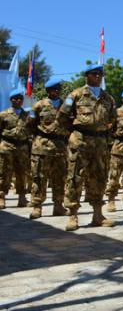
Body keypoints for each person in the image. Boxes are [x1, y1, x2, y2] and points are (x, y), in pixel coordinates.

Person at [58, 64, 117, 231]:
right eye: (94, 73)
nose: (97, 76)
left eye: (100, 74)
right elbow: (62, 116)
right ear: (87, 75)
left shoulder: (108, 98)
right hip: (80, 140)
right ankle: (72, 215)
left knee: (99, 178)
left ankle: (98, 215)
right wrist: (74, 130)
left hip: (99, 143)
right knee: (75, 177)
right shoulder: (76, 95)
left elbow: (113, 119)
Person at [27, 79, 69, 219]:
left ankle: (58, 206)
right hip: (42, 146)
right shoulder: (39, 105)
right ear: (48, 91)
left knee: (60, 178)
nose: (56, 91)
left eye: (58, 89)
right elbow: (30, 125)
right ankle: (37, 207)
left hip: (60, 147)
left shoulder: (66, 106)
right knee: (39, 177)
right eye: (53, 89)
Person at [0, 88, 31, 210]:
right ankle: (1, 197)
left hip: (22, 147)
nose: (18, 101)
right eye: (15, 99)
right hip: (7, 146)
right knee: (4, 173)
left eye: (20, 99)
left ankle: (22, 198)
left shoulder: (27, 115)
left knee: (22, 173)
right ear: (11, 100)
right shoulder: (3, 115)